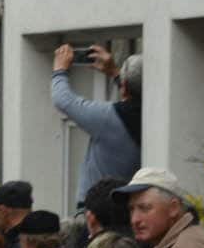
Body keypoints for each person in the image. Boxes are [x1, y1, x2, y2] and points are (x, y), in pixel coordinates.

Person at [53, 45, 143, 194]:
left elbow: (63, 100)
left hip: (96, 204)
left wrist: (59, 70)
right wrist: (114, 72)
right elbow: (136, 95)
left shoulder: (109, 117)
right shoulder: (153, 119)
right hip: (127, 201)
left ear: (124, 86)